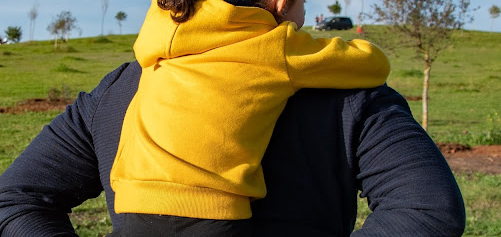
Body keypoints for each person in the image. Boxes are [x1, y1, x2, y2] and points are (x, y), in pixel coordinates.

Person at [108, 0, 391, 234]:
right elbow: (373, 63)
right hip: (209, 216)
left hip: (133, 205)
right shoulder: (274, 47)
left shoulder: (163, 33)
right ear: (283, 2)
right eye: (304, 2)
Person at [0, 62, 466, 236]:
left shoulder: (123, 89)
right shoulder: (350, 94)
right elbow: (427, 209)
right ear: (287, 0)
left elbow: (16, 198)